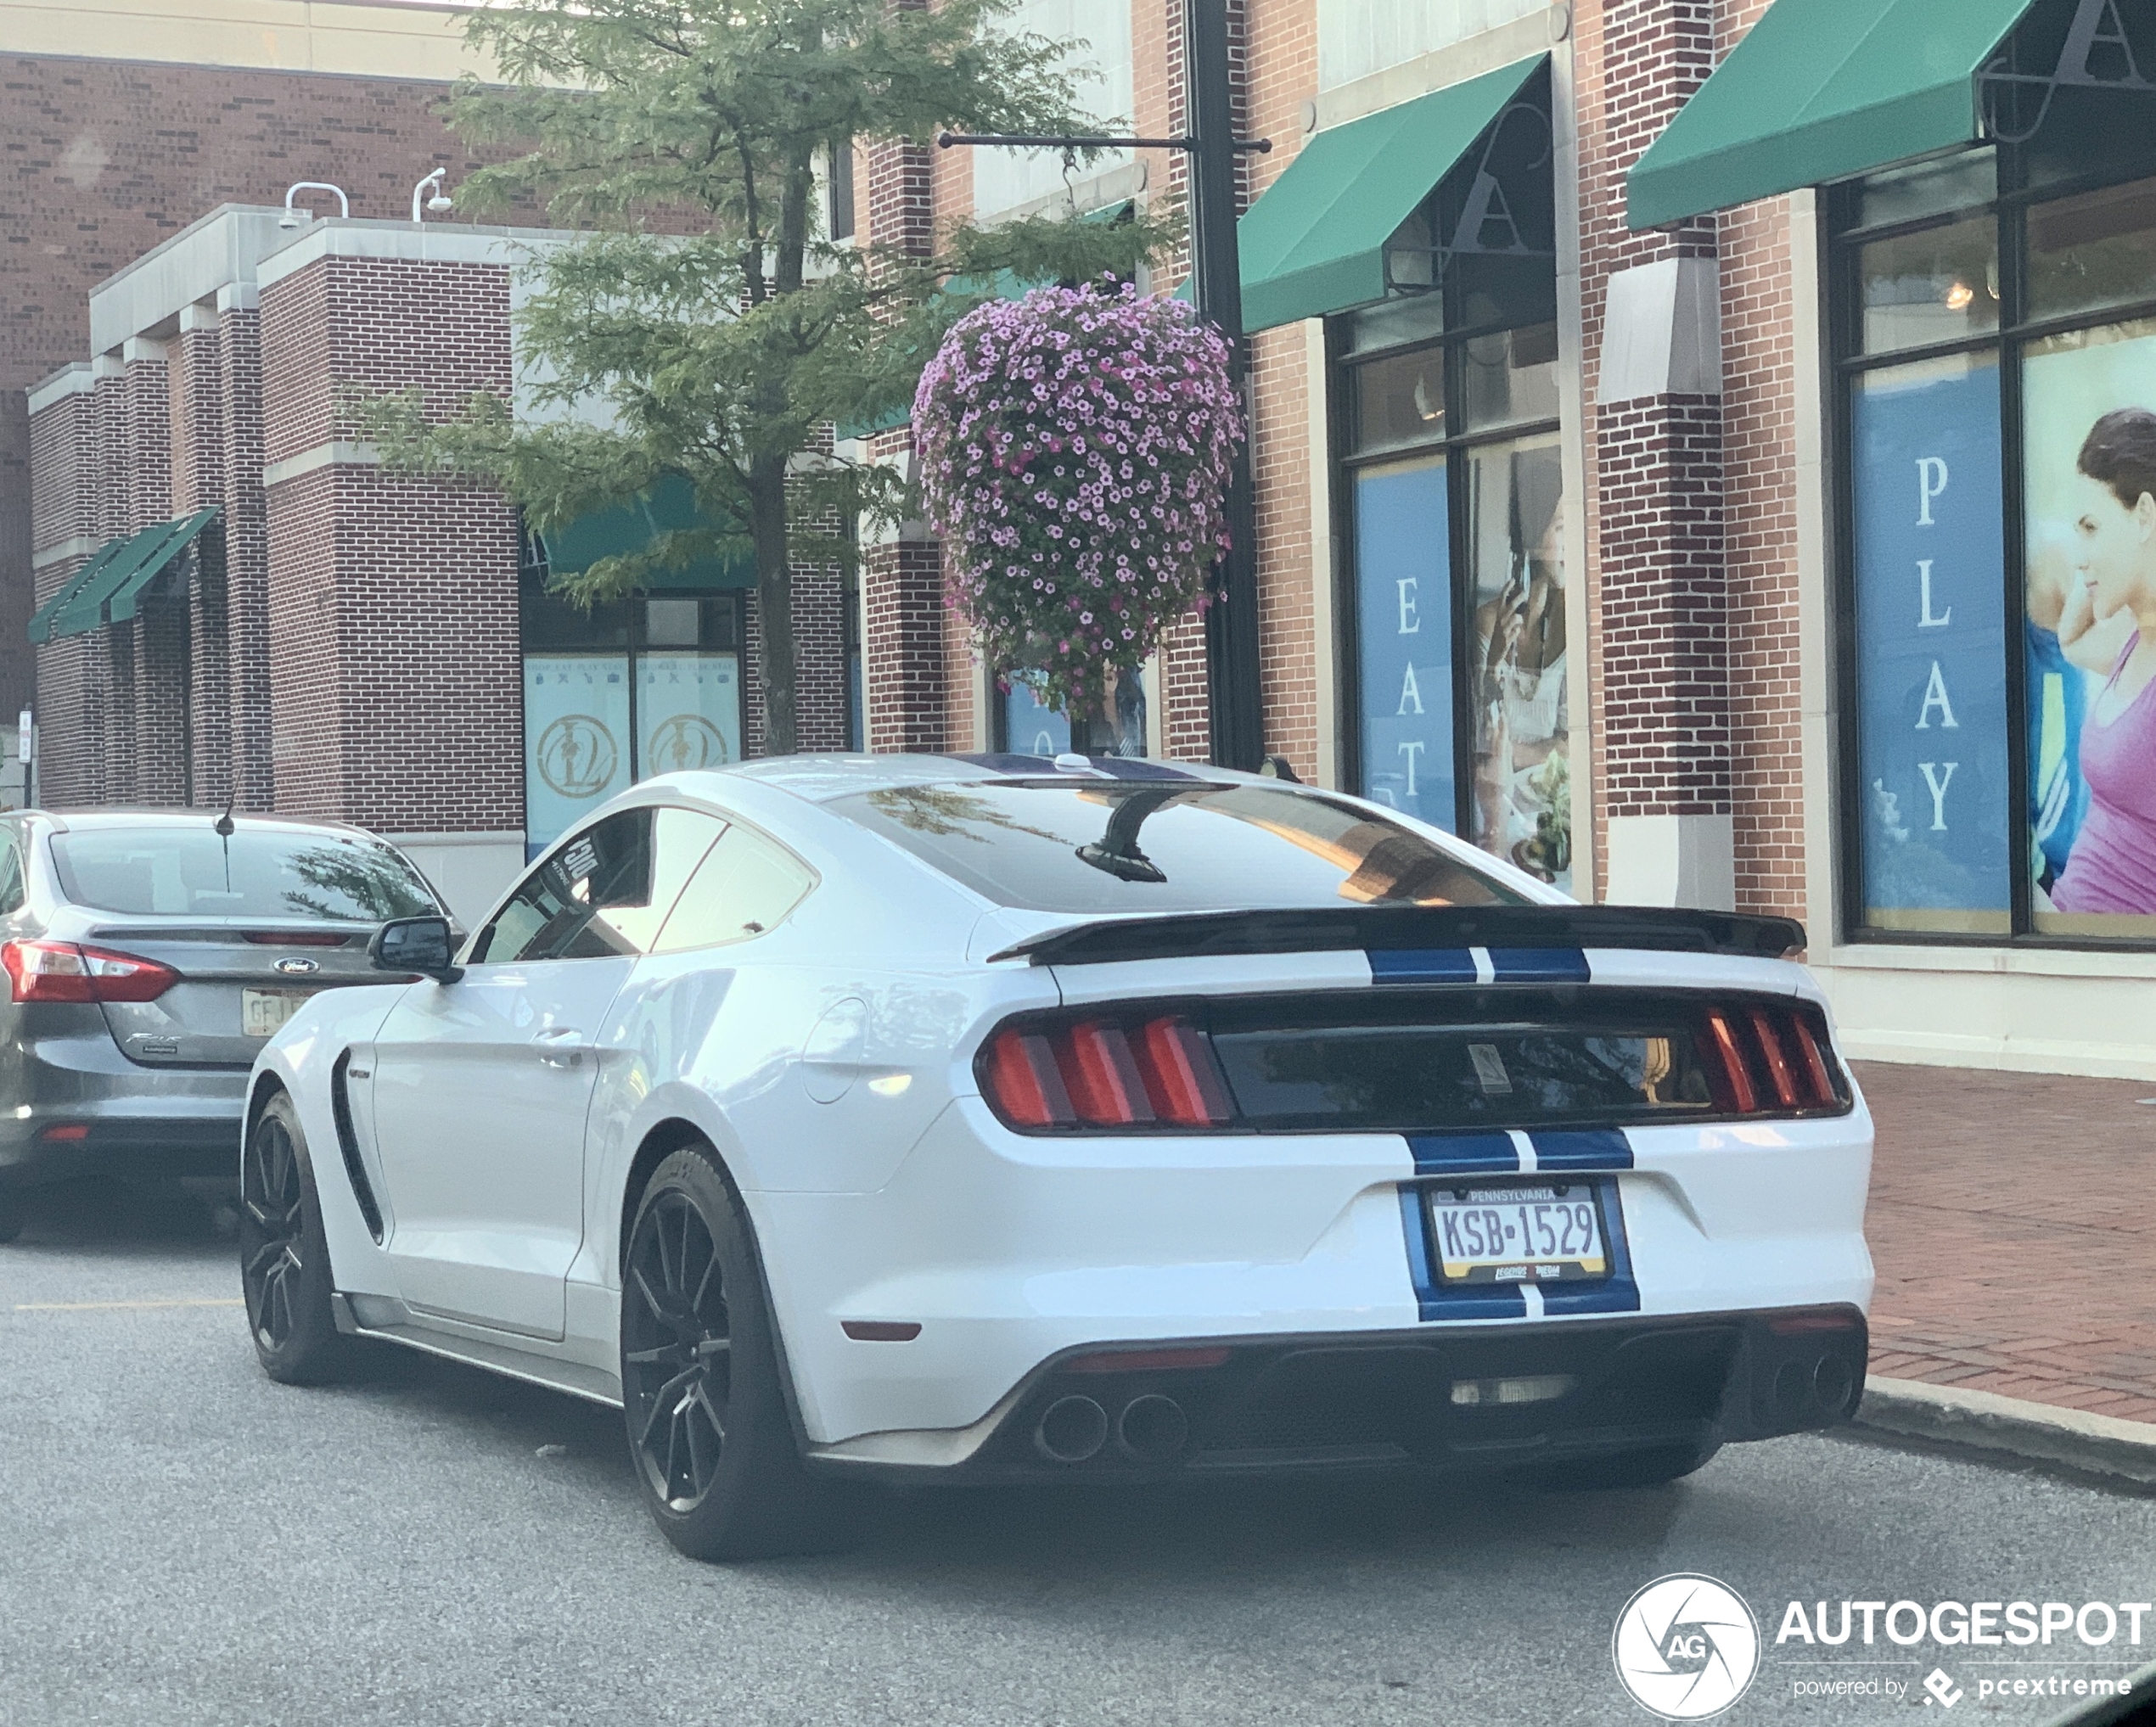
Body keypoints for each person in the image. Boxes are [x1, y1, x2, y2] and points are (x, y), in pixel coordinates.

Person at [2047, 407, 2156, 917]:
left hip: (2118, 978)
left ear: (2145, 517)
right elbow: (2071, 641)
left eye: (2091, 527)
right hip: (2072, 939)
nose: (2079, 554)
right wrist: (2098, 572)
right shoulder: (2135, 639)